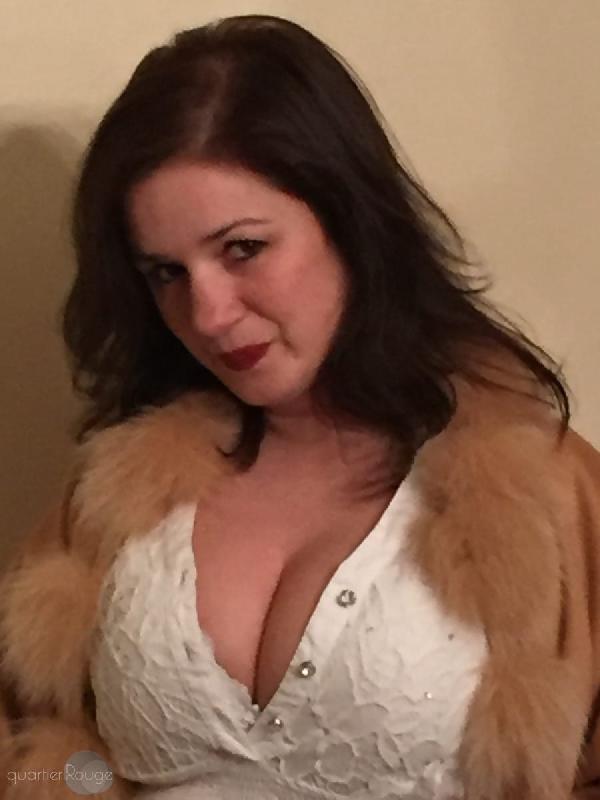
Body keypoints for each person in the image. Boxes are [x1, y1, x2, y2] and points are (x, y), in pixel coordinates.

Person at [1, 13, 599, 800]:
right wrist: (72, 784)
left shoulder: (545, 494)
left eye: (243, 248)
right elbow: (35, 756)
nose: (209, 314)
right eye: (166, 273)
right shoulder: (109, 505)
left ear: (351, 222)